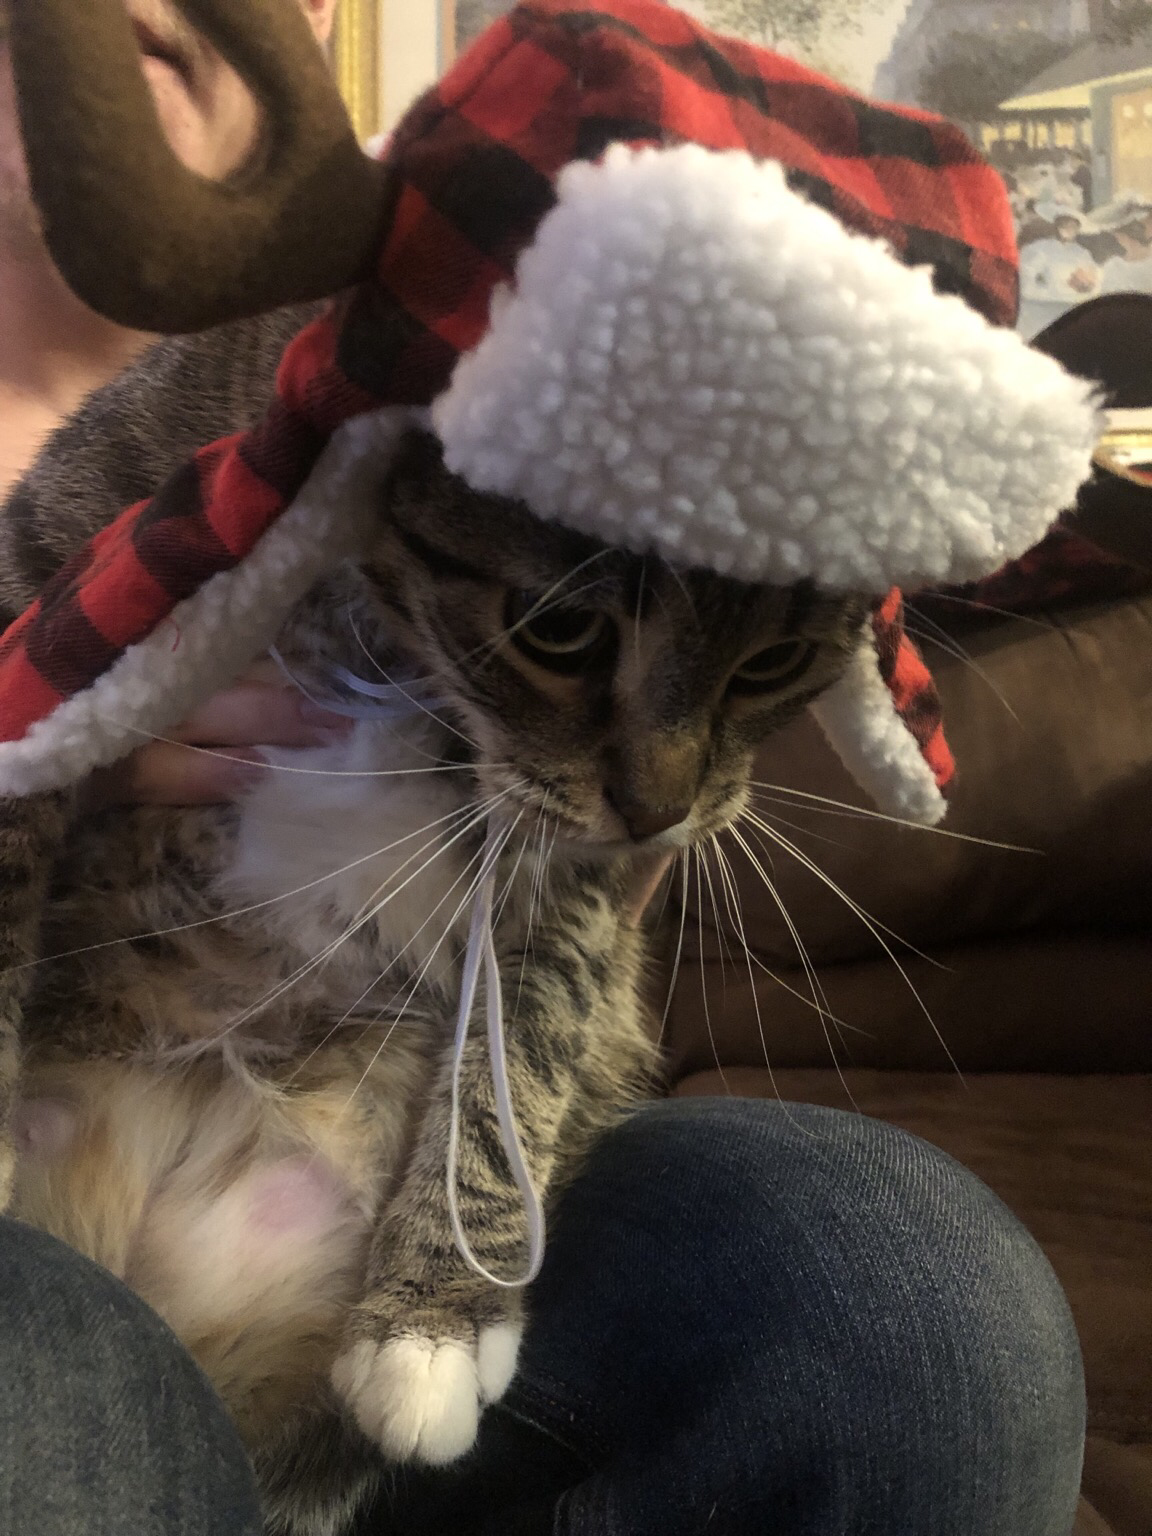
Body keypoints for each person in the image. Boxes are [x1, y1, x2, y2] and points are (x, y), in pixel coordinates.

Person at [0, 6, 1087, 1534]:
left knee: (902, 1295)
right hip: (60, 1139)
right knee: (46, 1374)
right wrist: (59, 752)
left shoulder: (532, 387)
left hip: (392, 1209)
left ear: (308, 35)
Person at [1017, 203, 1100, 340]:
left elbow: (1093, 282)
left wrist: (1086, 286)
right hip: (1042, 308)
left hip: (1072, 308)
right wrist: (1047, 290)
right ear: (1056, 225)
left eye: (1072, 226)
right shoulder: (1038, 249)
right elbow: (1025, 280)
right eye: (1064, 224)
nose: (1068, 229)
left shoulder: (1082, 253)